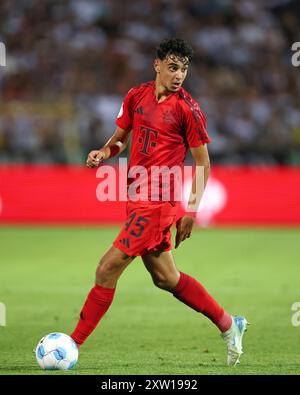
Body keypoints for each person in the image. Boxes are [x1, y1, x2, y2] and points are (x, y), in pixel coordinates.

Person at [70, 38, 248, 366]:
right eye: (173, 67)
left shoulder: (188, 110)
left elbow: (203, 163)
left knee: (107, 268)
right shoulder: (135, 96)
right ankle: (228, 323)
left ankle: (70, 346)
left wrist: (191, 210)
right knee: (166, 278)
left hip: (159, 202)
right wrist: (102, 152)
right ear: (158, 65)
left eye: (184, 69)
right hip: (137, 197)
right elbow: (119, 141)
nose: (179, 75)